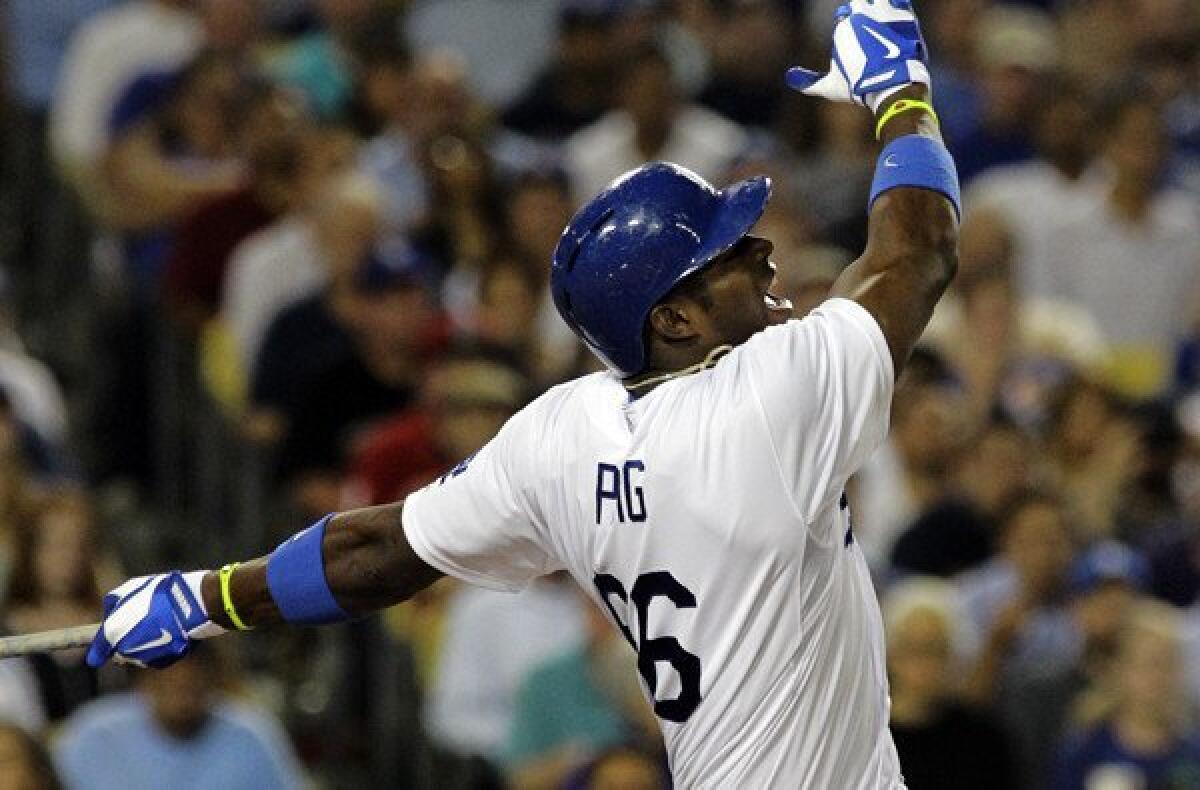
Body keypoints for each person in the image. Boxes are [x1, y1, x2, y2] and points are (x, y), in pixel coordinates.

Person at [85, 2, 960, 786]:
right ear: (678, 321)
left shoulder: (564, 432)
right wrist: (901, 98)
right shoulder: (769, 399)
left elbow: (377, 552)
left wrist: (210, 598)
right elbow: (913, 254)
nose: (766, 256)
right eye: (732, 257)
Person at [55, 642, 303, 790]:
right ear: (144, 682)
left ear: (213, 680)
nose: (181, 693)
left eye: (190, 685)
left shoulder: (252, 736)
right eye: (169, 682)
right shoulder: (94, 735)